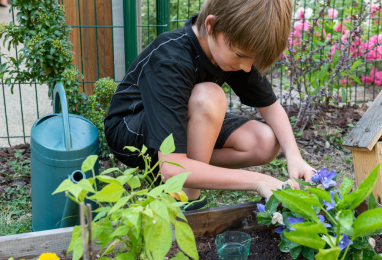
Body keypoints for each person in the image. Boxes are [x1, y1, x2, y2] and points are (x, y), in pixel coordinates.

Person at [104, 0, 315, 208]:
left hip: (182, 120)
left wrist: (295, 157)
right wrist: (259, 181)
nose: (247, 67)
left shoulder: (231, 49)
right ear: (211, 26)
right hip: (130, 129)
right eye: (241, 56)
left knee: (265, 142)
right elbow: (171, 167)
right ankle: (185, 195)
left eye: (252, 60)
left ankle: (190, 167)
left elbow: (270, 106)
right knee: (209, 96)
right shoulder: (172, 59)